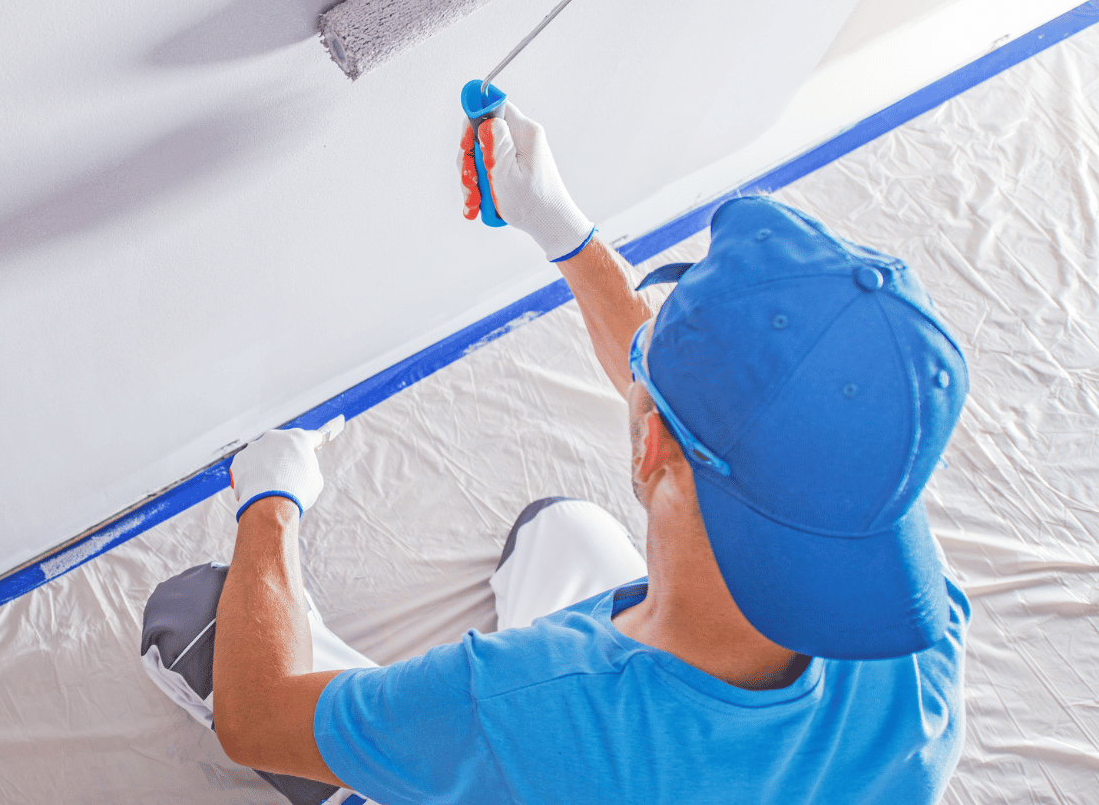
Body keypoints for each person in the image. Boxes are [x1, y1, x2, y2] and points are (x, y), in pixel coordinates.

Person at [140, 100, 972, 804]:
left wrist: (270, 496)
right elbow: (704, 407)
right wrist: (564, 231)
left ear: (647, 446)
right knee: (560, 532)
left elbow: (259, 718)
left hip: (568, 761)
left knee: (196, 616)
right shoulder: (904, 607)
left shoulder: (524, 703)